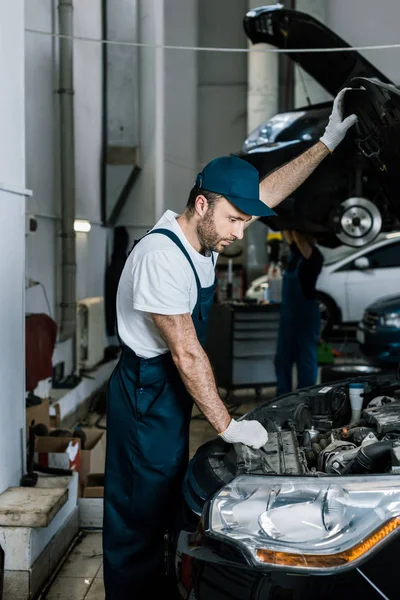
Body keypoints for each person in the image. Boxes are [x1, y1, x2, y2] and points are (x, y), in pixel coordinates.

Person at [103, 87, 357, 599]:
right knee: (136, 517)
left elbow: (269, 193)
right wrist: (229, 425)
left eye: (244, 221)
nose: (241, 233)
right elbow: (186, 351)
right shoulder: (163, 256)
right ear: (202, 204)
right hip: (145, 391)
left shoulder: (209, 228)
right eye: (234, 221)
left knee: (164, 505)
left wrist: (327, 142)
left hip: (169, 393)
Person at [275, 230, 324, 396]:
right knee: (282, 360)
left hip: (306, 315)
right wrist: (282, 220)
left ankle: (306, 395)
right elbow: (290, 236)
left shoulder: (315, 257)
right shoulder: (295, 254)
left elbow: (298, 237)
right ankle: (283, 397)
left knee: (306, 359)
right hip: (288, 315)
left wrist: (296, 223)